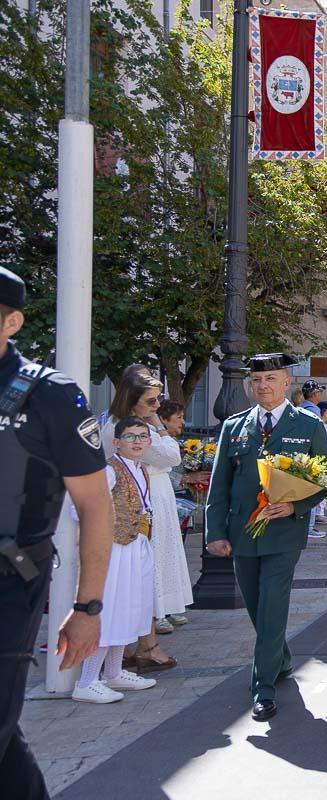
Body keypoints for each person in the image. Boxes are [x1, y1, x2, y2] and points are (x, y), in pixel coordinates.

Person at [0, 267, 113, 799]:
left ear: (13, 322)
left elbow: (95, 503)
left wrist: (87, 606)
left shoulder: (48, 396)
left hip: (9, 584)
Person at [205, 353, 327, 721]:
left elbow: (324, 480)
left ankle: (262, 687)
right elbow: (220, 486)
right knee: (256, 604)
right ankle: (281, 658)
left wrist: (296, 508)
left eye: (271, 379)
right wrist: (215, 532)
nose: (263, 386)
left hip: (283, 534)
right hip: (242, 532)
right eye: (257, 381)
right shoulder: (234, 426)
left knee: (272, 603)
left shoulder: (307, 427)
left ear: (286, 383)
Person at [72, 418, 159, 703]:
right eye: (130, 436)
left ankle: (113, 673)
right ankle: (86, 681)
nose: (136, 441)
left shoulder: (141, 469)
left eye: (142, 436)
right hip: (114, 548)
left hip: (135, 544)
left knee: (128, 609)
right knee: (109, 611)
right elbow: (81, 507)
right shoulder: (110, 470)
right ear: (116, 441)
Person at [103, 373, 186, 663]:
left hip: (153, 499)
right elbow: (171, 455)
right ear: (132, 400)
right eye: (151, 400)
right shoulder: (129, 428)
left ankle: (136, 646)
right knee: (142, 574)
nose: (157, 405)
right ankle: (142, 647)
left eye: (158, 399)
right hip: (136, 505)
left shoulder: (138, 425)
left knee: (149, 572)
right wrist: (159, 427)